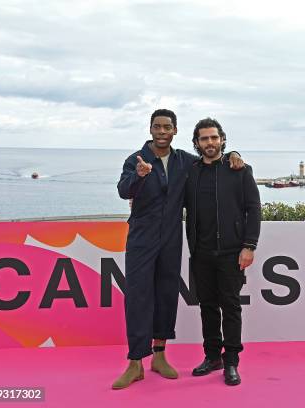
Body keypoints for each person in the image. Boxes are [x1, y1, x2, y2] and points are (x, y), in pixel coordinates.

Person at [113, 109, 244, 390]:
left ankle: (159, 356)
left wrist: (233, 153)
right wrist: (138, 176)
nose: (162, 132)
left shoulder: (185, 161)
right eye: (157, 127)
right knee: (137, 297)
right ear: (150, 129)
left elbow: (212, 158)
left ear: (174, 131)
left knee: (166, 295)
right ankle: (135, 362)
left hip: (172, 239)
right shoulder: (136, 159)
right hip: (141, 239)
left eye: (167, 127)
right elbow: (124, 191)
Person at [185, 118, 261, 386]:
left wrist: (249, 245)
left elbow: (254, 209)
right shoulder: (191, 172)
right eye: (204, 138)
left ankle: (231, 362)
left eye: (214, 138)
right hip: (201, 253)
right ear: (197, 143)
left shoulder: (239, 169)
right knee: (207, 307)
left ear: (222, 139)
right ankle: (212, 356)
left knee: (230, 308)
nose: (210, 143)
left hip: (232, 252)